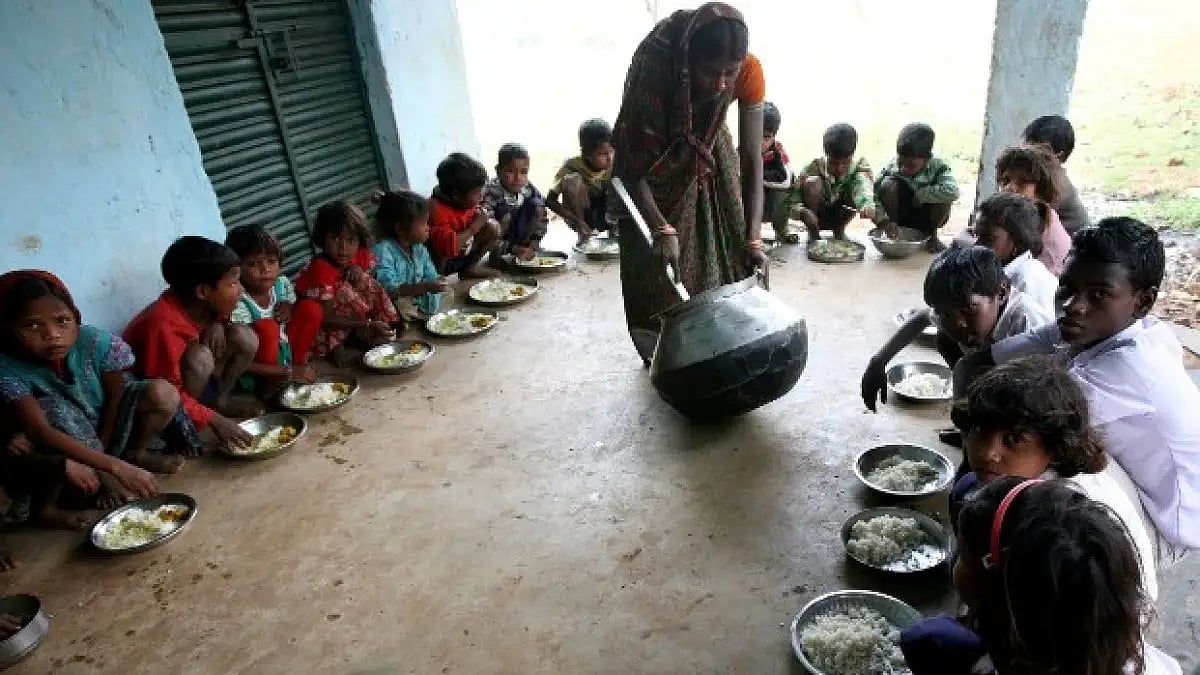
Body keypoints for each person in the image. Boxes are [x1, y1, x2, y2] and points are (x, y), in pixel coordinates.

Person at [962, 217, 1199, 564]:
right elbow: (1026, 344)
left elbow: (1026, 420)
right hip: (1140, 481)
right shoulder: (1108, 324)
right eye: (1067, 286)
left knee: (1024, 475)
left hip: (1166, 524)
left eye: (1100, 294)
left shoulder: (1127, 370)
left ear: (1142, 302)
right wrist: (972, 363)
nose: (1074, 305)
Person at [610, 2, 767, 366]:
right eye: (710, 72)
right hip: (649, 172)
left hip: (709, 154)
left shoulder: (750, 70)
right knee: (656, 272)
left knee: (728, 256)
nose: (721, 84)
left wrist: (754, 235)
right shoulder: (655, 66)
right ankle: (661, 359)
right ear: (687, 60)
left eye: (730, 72)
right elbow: (632, 164)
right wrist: (659, 225)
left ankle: (716, 352)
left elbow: (752, 158)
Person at [901, 478, 1181, 675]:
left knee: (928, 641)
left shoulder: (1020, 654)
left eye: (961, 554)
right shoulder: (1087, 621)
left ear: (997, 582)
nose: (954, 563)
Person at [948, 356, 1158, 603]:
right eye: (979, 431)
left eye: (1014, 440)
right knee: (968, 486)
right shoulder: (1032, 476)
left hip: (1084, 623)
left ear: (1057, 447)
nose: (987, 453)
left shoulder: (1056, 515)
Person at [0, 271, 191, 525]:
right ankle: (97, 482)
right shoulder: (7, 367)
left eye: (62, 321)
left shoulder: (93, 341)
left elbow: (116, 398)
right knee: (52, 408)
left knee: (162, 391)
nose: (52, 334)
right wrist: (113, 469)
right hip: (63, 439)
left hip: (108, 425)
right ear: (9, 329)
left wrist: (108, 452)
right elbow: (39, 430)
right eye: (32, 325)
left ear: (75, 318)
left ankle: (134, 454)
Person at [861, 246, 1053, 413]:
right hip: (995, 375)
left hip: (1035, 397)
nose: (958, 323)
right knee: (944, 339)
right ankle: (971, 411)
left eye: (968, 309)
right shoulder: (954, 311)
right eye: (946, 314)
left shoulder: (1027, 322)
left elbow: (1046, 396)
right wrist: (878, 361)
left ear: (1001, 293)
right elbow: (922, 317)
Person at [124, 237, 256, 449]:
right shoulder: (161, 324)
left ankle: (219, 401)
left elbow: (216, 315)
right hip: (154, 399)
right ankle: (175, 430)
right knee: (199, 358)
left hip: (191, 384)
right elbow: (168, 390)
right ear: (203, 292)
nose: (241, 290)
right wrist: (215, 421)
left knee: (244, 337)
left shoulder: (201, 303)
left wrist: (218, 323)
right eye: (233, 283)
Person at [289, 201, 399, 367]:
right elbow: (325, 318)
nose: (343, 248)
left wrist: (357, 270)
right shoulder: (320, 268)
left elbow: (369, 288)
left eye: (350, 240)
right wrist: (365, 324)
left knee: (366, 281)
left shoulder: (356, 255)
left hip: (352, 322)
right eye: (335, 239)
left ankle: (379, 329)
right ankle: (336, 349)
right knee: (344, 290)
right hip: (323, 329)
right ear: (322, 238)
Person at [224, 225, 315, 392]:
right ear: (237, 269)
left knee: (310, 309)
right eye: (253, 264)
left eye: (271, 261)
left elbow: (298, 318)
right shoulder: (238, 301)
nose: (265, 269)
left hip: (287, 353)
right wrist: (281, 371)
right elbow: (237, 359)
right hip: (261, 368)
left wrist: (291, 307)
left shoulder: (282, 284)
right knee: (267, 327)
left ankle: (298, 367)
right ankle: (271, 385)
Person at [780, 123, 874, 243]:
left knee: (857, 186)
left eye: (845, 163)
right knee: (812, 183)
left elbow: (864, 186)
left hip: (841, 213)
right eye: (834, 163)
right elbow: (792, 201)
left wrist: (866, 205)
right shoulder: (813, 168)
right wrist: (802, 212)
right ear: (826, 155)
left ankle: (839, 230)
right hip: (817, 215)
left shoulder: (859, 169)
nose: (839, 168)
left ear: (853, 155)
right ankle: (814, 233)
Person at [873, 123, 959, 252]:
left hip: (927, 215)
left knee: (944, 199)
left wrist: (921, 195)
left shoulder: (938, 167)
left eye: (911, 165)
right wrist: (883, 221)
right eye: (901, 162)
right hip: (901, 214)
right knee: (887, 185)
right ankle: (896, 231)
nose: (904, 168)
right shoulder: (892, 167)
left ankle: (931, 236)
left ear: (926, 159)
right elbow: (873, 197)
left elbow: (953, 191)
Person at [972, 192, 1058, 312]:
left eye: (988, 238)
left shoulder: (1024, 283)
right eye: (975, 235)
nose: (976, 245)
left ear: (1018, 241)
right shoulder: (999, 269)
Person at [371, 189, 448, 319]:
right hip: (398, 299)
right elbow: (388, 289)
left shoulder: (419, 248)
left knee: (448, 292)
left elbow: (431, 275)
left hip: (418, 297)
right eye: (424, 223)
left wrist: (436, 282)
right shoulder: (383, 250)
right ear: (400, 228)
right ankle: (415, 318)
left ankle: (422, 315)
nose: (427, 228)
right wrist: (423, 287)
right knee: (400, 306)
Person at [996, 145, 1072, 275]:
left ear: (1041, 190)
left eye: (1022, 183)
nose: (1010, 188)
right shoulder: (1017, 214)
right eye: (1006, 180)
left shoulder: (1040, 225)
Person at [428, 153, 501, 279]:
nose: (482, 196)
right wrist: (474, 227)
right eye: (477, 192)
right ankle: (437, 280)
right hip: (441, 262)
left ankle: (468, 268)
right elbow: (447, 248)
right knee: (442, 244)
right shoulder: (435, 209)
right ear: (456, 194)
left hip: (461, 252)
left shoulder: (463, 200)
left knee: (492, 227)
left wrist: (481, 221)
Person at [547, 119, 615, 245]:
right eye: (602, 154)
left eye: (611, 151)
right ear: (586, 154)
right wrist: (578, 221)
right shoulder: (572, 166)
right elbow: (550, 201)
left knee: (621, 182)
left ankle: (615, 232)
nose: (609, 158)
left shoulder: (614, 164)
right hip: (583, 214)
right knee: (572, 180)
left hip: (607, 212)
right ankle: (584, 234)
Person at [1023, 115, 1090, 233]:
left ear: (1058, 156)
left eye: (1034, 153)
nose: (1025, 157)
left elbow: (1026, 221)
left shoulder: (1056, 185)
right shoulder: (1038, 174)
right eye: (1024, 149)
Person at [482, 143, 548, 262]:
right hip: (500, 236)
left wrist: (535, 240)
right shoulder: (490, 191)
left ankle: (526, 247)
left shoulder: (528, 188)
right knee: (505, 216)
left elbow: (542, 215)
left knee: (538, 207)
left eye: (523, 172)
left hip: (520, 233)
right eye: (511, 171)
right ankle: (501, 252)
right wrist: (511, 248)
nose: (518, 178)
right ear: (498, 171)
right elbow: (486, 226)